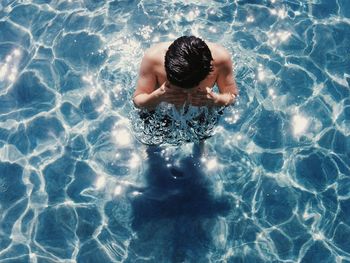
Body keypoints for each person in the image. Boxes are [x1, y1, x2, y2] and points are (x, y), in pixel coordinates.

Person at [133, 35, 238, 110]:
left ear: (208, 72)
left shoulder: (221, 59)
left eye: (191, 88)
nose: (185, 93)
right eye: (179, 87)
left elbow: (232, 97)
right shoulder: (153, 59)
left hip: (201, 113)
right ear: (166, 68)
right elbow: (137, 101)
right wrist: (157, 97)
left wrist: (216, 99)